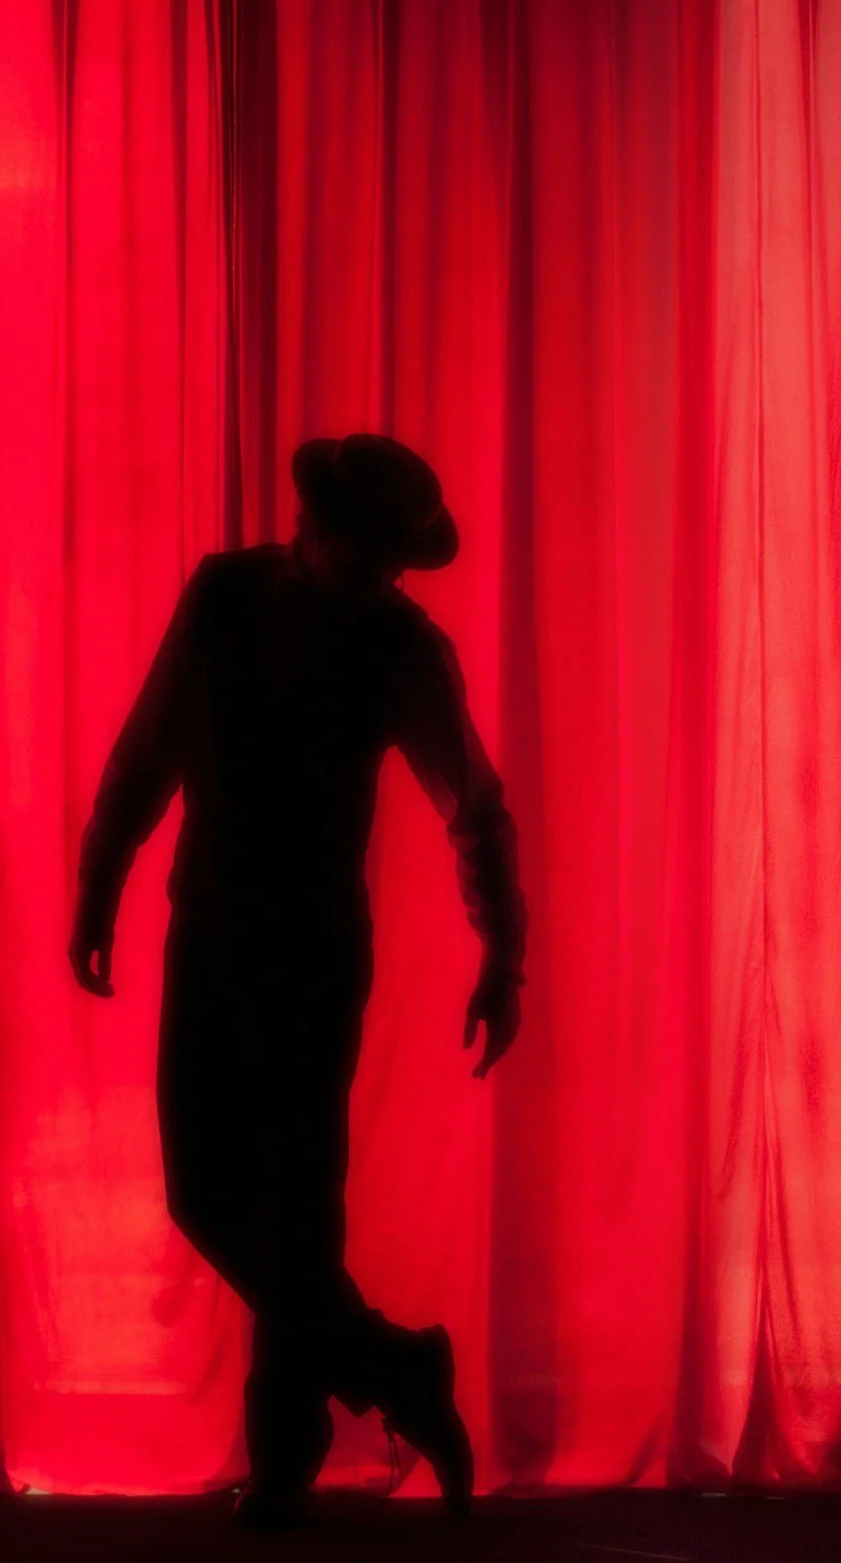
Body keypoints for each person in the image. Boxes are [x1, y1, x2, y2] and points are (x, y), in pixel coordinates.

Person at [69, 434, 524, 1529]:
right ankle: (397, 1368)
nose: (379, 575)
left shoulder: (401, 644)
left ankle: (286, 1461)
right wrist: (101, 878)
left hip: (314, 942)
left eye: (391, 559)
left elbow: (473, 804)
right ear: (315, 526)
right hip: (213, 922)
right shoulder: (225, 594)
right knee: (209, 1193)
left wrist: (502, 951)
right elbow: (150, 748)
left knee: (296, 1208)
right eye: (367, 551)